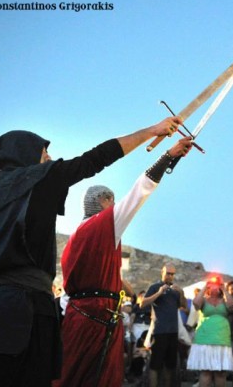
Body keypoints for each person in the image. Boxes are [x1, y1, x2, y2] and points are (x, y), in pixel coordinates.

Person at [0, 116, 184, 387]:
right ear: (26, 156)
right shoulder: (40, 180)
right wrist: (152, 131)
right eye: (44, 154)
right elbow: (95, 159)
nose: (49, 159)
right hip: (24, 314)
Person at [54, 136, 192, 387]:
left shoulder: (75, 237)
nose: (116, 206)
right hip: (97, 320)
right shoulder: (102, 226)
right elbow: (139, 192)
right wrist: (168, 156)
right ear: (102, 202)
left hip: (77, 319)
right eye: (112, 201)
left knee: (72, 377)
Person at [141, 263, 187, 387]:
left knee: (169, 367)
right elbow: (142, 304)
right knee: (155, 366)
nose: (170, 276)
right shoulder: (155, 286)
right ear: (162, 272)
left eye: (172, 274)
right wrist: (158, 293)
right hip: (159, 331)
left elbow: (184, 306)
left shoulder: (175, 290)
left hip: (173, 332)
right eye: (168, 273)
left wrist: (181, 293)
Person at [186, 277, 233, 387]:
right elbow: (196, 304)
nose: (214, 286)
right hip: (204, 339)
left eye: (216, 284)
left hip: (222, 339)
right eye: (212, 284)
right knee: (206, 372)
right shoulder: (204, 299)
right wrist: (205, 286)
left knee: (220, 374)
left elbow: (232, 306)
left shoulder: (224, 299)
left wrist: (223, 288)